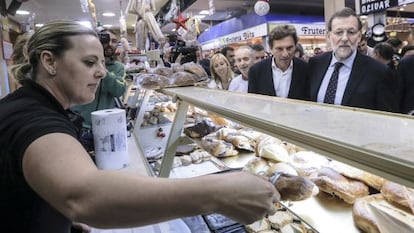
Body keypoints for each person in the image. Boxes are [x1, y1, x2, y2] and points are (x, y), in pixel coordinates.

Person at [0, 20, 282, 232]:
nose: (101, 71)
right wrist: (218, 193)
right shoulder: (33, 118)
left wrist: (60, 219)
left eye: (101, 61)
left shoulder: (32, 105)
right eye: (89, 62)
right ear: (49, 61)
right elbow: (84, 197)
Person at [307, 7, 398, 112]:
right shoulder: (316, 63)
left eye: (351, 32)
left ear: (359, 36)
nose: (345, 38)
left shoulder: (379, 72)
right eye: (339, 32)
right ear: (328, 36)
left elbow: (388, 118)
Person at [71, 29, 128, 151]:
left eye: (114, 41)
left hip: (104, 127)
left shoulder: (118, 67)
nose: (110, 44)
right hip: (79, 125)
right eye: (106, 40)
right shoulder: (82, 63)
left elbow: (119, 90)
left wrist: (103, 69)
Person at [248, 24, 309, 100]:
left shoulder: (306, 69)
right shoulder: (256, 71)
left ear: (295, 46)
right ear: (271, 49)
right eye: (279, 49)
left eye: (289, 48)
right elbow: (253, 102)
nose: (285, 54)